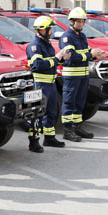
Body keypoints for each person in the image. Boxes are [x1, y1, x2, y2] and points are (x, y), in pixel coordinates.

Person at [58, 7, 107, 141]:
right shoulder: (67, 37)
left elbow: (86, 52)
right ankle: (67, 131)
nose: (80, 24)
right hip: (72, 76)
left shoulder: (82, 36)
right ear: (71, 22)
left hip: (83, 76)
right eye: (78, 21)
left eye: (82, 21)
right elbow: (72, 57)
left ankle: (77, 127)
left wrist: (97, 54)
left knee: (80, 102)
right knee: (69, 102)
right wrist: (89, 54)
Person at [26, 15, 71, 152]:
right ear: (42, 30)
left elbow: (51, 63)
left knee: (52, 112)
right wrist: (57, 59)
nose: (51, 32)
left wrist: (62, 59)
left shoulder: (47, 44)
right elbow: (37, 65)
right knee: (37, 115)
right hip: (40, 86)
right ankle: (33, 142)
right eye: (49, 29)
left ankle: (49, 138)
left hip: (50, 85)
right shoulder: (34, 46)